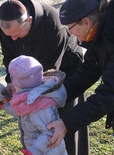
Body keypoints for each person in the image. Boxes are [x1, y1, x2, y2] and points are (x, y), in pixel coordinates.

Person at [0, 0, 89, 154]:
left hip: (62, 73)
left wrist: (22, 91)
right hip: (28, 75)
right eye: (9, 35)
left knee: (62, 121)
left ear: (29, 21)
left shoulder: (53, 24)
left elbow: (48, 72)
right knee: (37, 122)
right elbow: (9, 58)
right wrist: (12, 82)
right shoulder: (9, 24)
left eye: (17, 34)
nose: (13, 39)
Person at [47, 0, 114, 151]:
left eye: (70, 28)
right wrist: (56, 96)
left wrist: (66, 123)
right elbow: (89, 70)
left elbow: (110, 93)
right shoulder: (101, 33)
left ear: (86, 22)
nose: (70, 33)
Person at [1, 55, 68, 155]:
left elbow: (50, 132)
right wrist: (5, 106)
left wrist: (34, 151)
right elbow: (22, 113)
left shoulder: (39, 104)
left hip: (48, 151)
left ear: (18, 81)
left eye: (12, 78)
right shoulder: (28, 97)